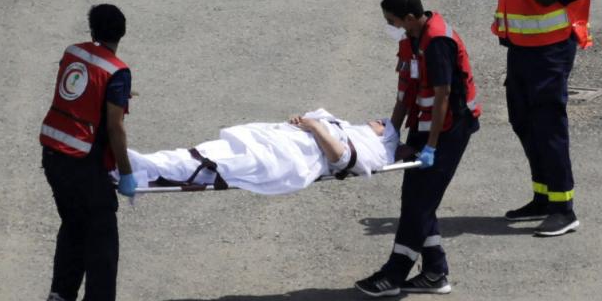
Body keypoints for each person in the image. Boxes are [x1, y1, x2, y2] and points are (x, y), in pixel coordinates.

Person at [469, 0, 593, 238]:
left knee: (549, 126)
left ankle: (564, 209)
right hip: (521, 51)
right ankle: (542, 195)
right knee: (523, 122)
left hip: (551, 53)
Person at [355, 0, 481, 299]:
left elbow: (442, 100)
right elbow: (405, 95)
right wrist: (390, 136)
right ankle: (435, 271)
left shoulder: (437, 43)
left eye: (393, 21)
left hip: (449, 129)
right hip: (426, 127)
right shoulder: (410, 39)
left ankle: (395, 273)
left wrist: (431, 147)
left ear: (410, 18)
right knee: (416, 198)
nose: (392, 26)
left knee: (420, 203)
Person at [39, 3, 132, 301]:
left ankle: (61, 296)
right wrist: (127, 173)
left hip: (53, 154)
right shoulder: (117, 72)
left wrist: (118, 95)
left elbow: (80, 94)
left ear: (92, 30)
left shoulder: (73, 53)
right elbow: (114, 128)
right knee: (102, 233)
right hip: (82, 161)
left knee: (74, 224)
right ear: (122, 32)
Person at [128, 111, 400, 193]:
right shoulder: (345, 126)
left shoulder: (375, 150)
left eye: (380, 122)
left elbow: (342, 159)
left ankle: (135, 168)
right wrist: (303, 122)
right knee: (203, 153)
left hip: (285, 157)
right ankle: (133, 164)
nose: (374, 120)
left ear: (385, 133)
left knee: (211, 164)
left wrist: (315, 127)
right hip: (273, 139)